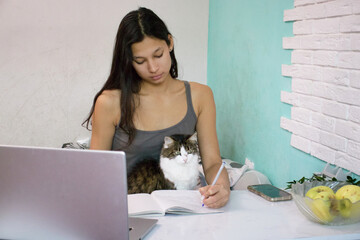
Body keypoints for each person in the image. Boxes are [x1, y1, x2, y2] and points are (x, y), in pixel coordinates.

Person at [83, 7, 230, 208]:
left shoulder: (200, 96)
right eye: (140, 61)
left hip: (187, 205)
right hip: (131, 208)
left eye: (158, 55)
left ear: (169, 43)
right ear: (129, 60)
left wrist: (221, 188)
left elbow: (212, 162)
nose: (153, 68)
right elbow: (95, 173)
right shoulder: (110, 103)